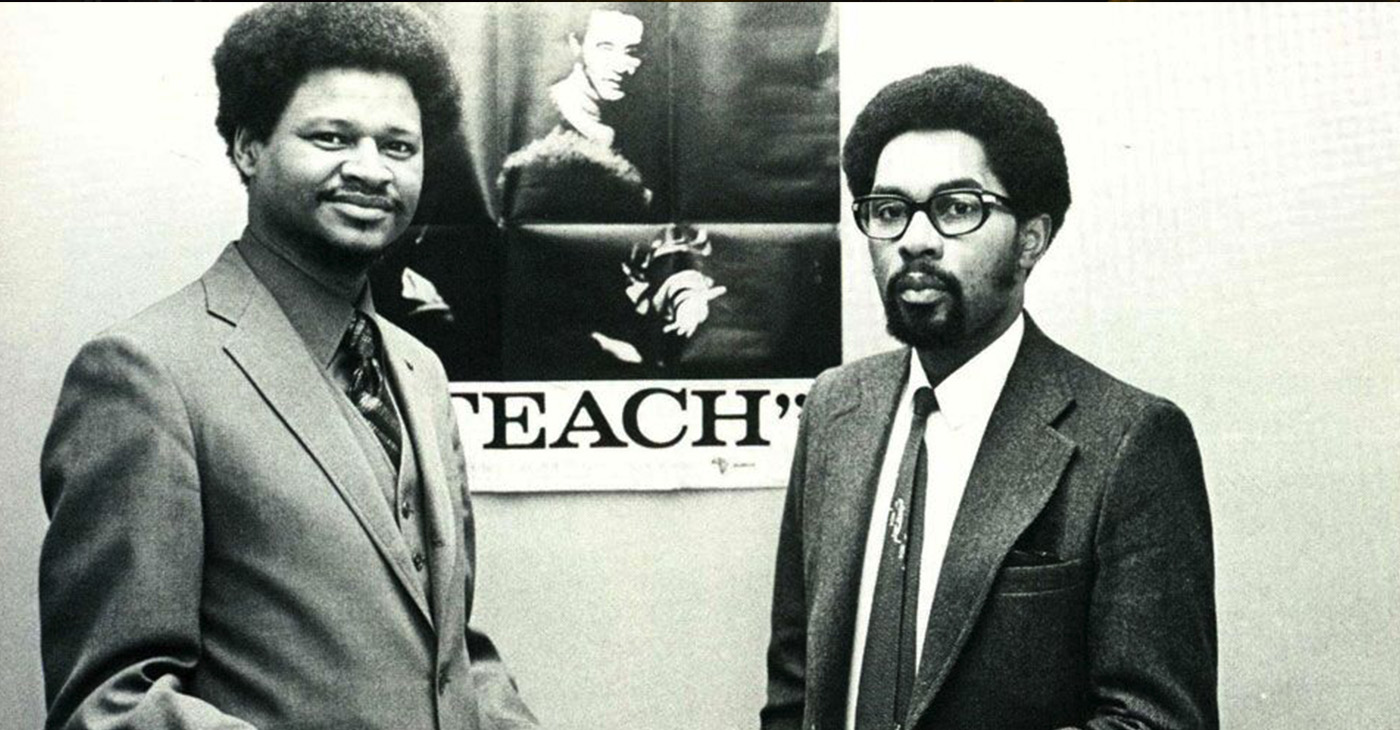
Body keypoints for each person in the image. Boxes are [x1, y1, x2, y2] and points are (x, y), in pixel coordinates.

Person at [38, 4, 538, 729]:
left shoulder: (420, 371)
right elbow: (110, 705)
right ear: (248, 148)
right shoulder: (144, 374)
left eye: (399, 147)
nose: (370, 169)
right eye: (332, 137)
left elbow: (450, 650)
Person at [762, 65, 1217, 730]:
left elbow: (1156, 721)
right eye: (889, 211)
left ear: (1031, 239)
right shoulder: (837, 408)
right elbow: (795, 683)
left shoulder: (1129, 441)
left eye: (956, 208)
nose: (915, 239)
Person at [498, 5, 653, 221]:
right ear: (576, 45)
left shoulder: (642, 126)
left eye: (631, 52)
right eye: (605, 47)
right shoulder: (539, 119)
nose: (619, 65)